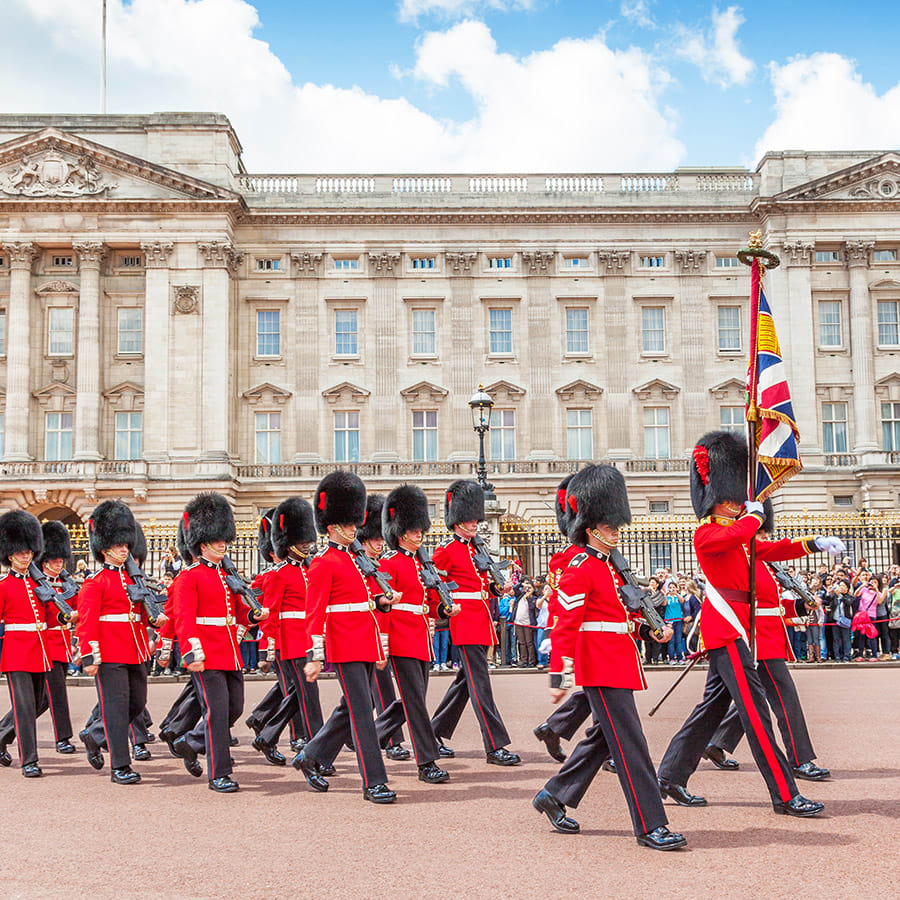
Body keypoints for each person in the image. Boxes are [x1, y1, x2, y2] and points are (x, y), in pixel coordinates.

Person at [656, 430, 844, 818]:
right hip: (728, 630)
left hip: (744, 630)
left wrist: (813, 543)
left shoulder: (739, 533)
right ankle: (786, 794)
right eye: (734, 498)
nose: (739, 503)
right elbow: (743, 533)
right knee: (756, 714)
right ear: (720, 499)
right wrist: (754, 513)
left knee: (711, 708)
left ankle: (671, 775)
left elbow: (771, 548)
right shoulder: (709, 533)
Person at [531, 464, 684, 849]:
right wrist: (560, 677)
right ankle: (651, 824)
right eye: (610, 525)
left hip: (619, 661)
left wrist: (653, 628)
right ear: (590, 526)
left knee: (604, 738)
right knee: (631, 745)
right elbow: (564, 625)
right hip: (600, 666)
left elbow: (624, 614)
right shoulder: (580, 568)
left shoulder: (609, 567)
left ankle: (555, 795)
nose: (617, 530)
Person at [293, 471, 396, 803]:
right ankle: (373, 781)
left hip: (364, 639)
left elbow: (363, 601)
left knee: (350, 708)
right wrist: (315, 654)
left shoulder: (356, 559)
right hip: (344, 644)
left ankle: (311, 756)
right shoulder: (323, 562)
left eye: (355, 522)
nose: (355, 528)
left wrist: (382, 602)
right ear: (332, 525)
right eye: (348, 523)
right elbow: (315, 611)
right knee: (364, 712)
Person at [171, 492, 270, 793]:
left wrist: (253, 614)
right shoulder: (189, 577)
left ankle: (190, 742)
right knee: (215, 712)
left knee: (234, 709)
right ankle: (219, 773)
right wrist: (191, 652)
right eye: (217, 540)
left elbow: (236, 613)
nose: (223, 544)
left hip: (230, 652)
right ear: (203, 544)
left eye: (224, 539)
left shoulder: (227, 576)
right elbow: (184, 619)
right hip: (206, 653)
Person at [429, 480, 520, 767]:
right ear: (457, 520)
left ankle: (432, 734)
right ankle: (494, 746)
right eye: (468, 518)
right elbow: (436, 584)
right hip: (464, 620)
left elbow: (482, 585)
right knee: (481, 686)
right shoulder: (447, 550)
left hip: (480, 618)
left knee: (464, 684)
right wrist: (444, 609)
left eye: (475, 518)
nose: (473, 522)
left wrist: (496, 590)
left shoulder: (474, 549)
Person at [373, 484, 454, 784]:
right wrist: (383, 641)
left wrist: (443, 611)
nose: (418, 534)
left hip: (421, 637)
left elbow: (428, 604)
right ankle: (426, 761)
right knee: (416, 704)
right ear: (400, 531)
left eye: (420, 529)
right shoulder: (389, 562)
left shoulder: (421, 564)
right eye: (412, 529)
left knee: (412, 700)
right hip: (402, 639)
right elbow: (382, 606)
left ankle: (368, 737)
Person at [76, 500, 156, 784]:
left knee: (137, 703)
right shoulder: (95, 582)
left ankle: (95, 734)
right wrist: (89, 655)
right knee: (116, 708)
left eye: (126, 544)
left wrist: (154, 624)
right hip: (109, 653)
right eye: (119, 545)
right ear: (105, 547)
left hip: (135, 651)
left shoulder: (134, 579)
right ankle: (119, 766)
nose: (125, 549)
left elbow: (141, 613)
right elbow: (86, 622)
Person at [251, 497, 324, 765]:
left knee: (295, 693)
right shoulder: (277, 574)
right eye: (302, 539)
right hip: (288, 642)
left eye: (307, 538)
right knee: (304, 695)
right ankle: (308, 742)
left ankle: (264, 727)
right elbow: (269, 615)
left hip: (307, 640)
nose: (307, 543)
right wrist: (267, 650)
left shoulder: (310, 569)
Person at [0, 521, 79, 757]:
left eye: (28, 552)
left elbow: (50, 615)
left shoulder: (39, 585)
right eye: (20, 553)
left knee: (38, 703)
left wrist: (68, 616)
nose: (25, 557)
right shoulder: (4, 586)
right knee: (25, 708)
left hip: (41, 651)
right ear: (9, 556)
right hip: (16, 652)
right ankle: (29, 760)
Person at [357, 494, 410, 761]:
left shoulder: (382, 564)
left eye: (381, 538)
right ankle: (388, 739)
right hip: (363, 634)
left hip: (382, 633)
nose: (379, 543)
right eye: (375, 539)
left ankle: (390, 739)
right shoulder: (357, 565)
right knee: (367, 695)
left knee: (378, 690)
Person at [511, 577, 538, 667]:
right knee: (521, 642)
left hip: (528, 623)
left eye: (529, 587)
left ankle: (531, 660)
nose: (527, 589)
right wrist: (522, 583)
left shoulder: (533, 598)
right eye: (526, 587)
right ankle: (523, 660)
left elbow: (532, 607)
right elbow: (515, 588)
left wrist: (529, 596)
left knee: (529, 642)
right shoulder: (520, 595)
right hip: (518, 622)